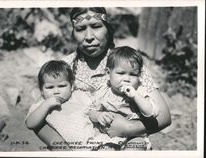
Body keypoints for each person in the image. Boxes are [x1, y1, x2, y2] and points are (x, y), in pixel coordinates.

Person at [26, 7, 171, 150]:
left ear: (107, 28)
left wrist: (129, 128)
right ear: (73, 32)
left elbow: (164, 117)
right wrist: (61, 147)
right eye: (81, 29)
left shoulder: (127, 64)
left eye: (96, 26)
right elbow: (36, 117)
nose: (89, 36)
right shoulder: (65, 68)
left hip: (131, 141)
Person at [26, 60, 127, 151]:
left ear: (71, 86)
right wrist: (46, 105)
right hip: (73, 148)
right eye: (49, 87)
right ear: (42, 91)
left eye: (62, 86)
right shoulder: (41, 105)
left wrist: (99, 116)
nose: (56, 91)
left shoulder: (78, 96)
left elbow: (91, 111)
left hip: (95, 141)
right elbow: (30, 123)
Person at [88, 46, 160, 150]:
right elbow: (91, 112)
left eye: (133, 74)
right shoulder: (103, 91)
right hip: (108, 137)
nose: (127, 79)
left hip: (134, 137)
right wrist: (99, 115)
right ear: (108, 73)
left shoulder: (139, 90)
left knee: (135, 147)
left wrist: (135, 96)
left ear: (139, 76)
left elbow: (152, 112)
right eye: (121, 73)